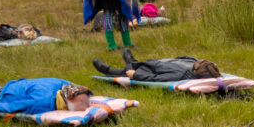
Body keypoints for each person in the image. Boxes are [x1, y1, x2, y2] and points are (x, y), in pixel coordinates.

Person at [92, 50, 220, 82]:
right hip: (160, 63)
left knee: (127, 71)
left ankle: (110, 70)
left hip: (150, 68)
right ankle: (130, 60)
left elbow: (156, 78)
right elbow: (182, 58)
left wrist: (135, 75)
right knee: (136, 65)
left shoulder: (181, 75)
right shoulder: (193, 62)